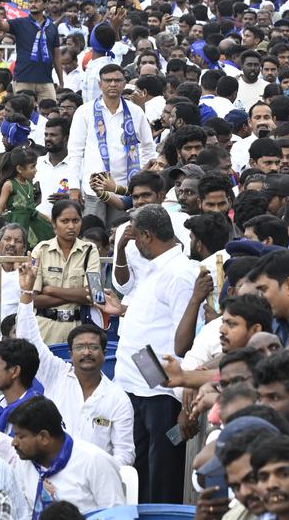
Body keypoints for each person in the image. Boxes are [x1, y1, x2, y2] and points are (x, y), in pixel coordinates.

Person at [112, 204, 200, 503]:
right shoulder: (156, 269)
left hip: (162, 394)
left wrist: (183, 402)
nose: (134, 243)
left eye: (136, 238)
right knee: (141, 475)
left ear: (147, 236)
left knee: (162, 477)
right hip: (136, 386)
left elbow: (187, 341)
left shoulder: (180, 274)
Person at [16, 261, 135, 464]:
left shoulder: (118, 398)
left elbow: (125, 454)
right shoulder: (56, 374)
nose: (86, 352)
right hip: (51, 478)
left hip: (95, 484)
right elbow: (29, 342)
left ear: (104, 353)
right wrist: (27, 292)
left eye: (93, 347)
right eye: (80, 347)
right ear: (70, 354)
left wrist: (96, 472)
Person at [66, 64, 157, 223]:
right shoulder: (85, 111)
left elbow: (147, 148)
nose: (113, 84)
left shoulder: (136, 112)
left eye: (117, 80)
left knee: (120, 233)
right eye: (108, 81)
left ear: (124, 83)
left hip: (125, 189)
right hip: (93, 189)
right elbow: (75, 152)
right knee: (93, 234)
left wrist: (138, 179)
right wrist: (74, 187)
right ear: (100, 85)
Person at [9, 396, 125, 516]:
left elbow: (116, 516)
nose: (14, 443)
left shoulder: (94, 461)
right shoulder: (23, 462)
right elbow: (23, 513)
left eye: (21, 436)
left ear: (43, 437)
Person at [28, 200, 98, 344]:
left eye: (75, 220)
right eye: (64, 221)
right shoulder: (41, 250)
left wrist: (50, 290)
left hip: (78, 329)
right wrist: (77, 295)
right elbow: (34, 299)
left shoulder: (90, 250)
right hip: (45, 327)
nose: (71, 226)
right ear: (54, 223)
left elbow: (93, 294)